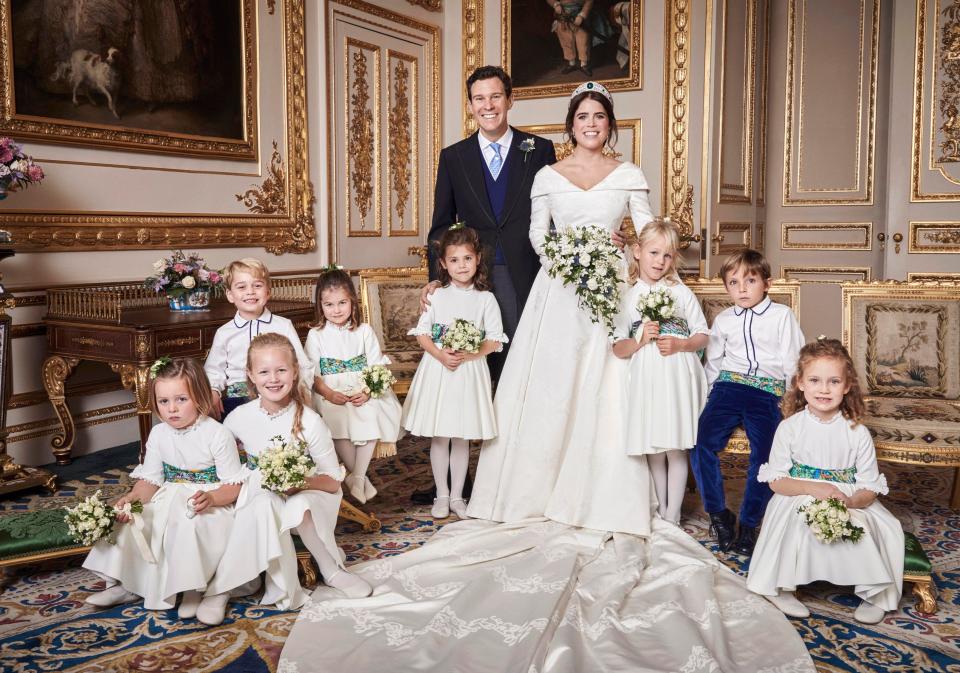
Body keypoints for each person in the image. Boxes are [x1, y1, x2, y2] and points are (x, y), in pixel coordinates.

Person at [277, 83, 815, 673]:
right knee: (548, 387)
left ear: (611, 125)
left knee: (610, 383)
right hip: (559, 291)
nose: (590, 123)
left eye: (599, 116)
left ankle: (612, 488)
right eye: (581, 116)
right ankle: (534, 487)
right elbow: (537, 234)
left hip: (611, 286)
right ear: (571, 123)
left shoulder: (629, 171)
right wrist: (565, 258)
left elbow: (644, 232)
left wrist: (618, 251)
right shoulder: (549, 174)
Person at [412, 64, 555, 506]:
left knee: (519, 369)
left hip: (525, 274)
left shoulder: (540, 149)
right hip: (469, 282)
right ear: (470, 104)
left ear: (510, 100)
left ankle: (516, 472)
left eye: (496, 97)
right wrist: (438, 281)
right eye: (479, 98)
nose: (488, 106)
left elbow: (556, 215)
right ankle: (466, 480)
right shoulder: (453, 157)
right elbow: (440, 227)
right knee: (475, 375)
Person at [747, 338, 904, 624]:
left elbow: (869, 486)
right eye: (815, 380)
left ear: (846, 386)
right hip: (798, 490)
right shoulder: (789, 428)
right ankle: (781, 587)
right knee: (795, 517)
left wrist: (852, 501)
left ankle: (874, 594)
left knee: (871, 526)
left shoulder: (857, 432)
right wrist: (813, 488)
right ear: (801, 383)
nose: (824, 389)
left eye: (833, 381)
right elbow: (777, 481)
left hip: (846, 494)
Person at [213, 333, 373, 612]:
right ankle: (228, 584)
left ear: (295, 371)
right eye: (264, 371)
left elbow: (333, 483)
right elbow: (222, 465)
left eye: (281, 370)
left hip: (311, 491)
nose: (273, 379)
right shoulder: (238, 418)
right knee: (263, 500)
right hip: (263, 490)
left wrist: (299, 482)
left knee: (298, 504)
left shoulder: (310, 422)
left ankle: (332, 570)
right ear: (250, 375)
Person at [83, 357, 246, 626]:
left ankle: (192, 587)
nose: (172, 409)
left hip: (207, 503)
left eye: (181, 399)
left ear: (200, 397)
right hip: (168, 495)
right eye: (164, 402)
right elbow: (151, 481)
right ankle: (130, 583)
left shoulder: (217, 434)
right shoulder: (159, 434)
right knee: (138, 519)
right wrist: (131, 500)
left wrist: (212, 498)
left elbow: (234, 485)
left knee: (187, 522)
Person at [690, 249, 806, 557]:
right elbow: (713, 363)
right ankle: (719, 514)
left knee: (766, 455)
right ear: (726, 287)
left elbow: (793, 360)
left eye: (750, 280)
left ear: (766, 283)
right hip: (728, 387)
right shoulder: (724, 320)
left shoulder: (782, 316)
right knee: (700, 443)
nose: (741, 289)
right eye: (733, 282)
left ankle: (749, 522)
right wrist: (706, 403)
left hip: (767, 392)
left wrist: (792, 401)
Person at [402, 224, 505, 519]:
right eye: (455, 260)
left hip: (469, 373)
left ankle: (459, 496)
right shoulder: (436, 296)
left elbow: (495, 339)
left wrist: (471, 353)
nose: (462, 266)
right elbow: (422, 333)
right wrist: (440, 354)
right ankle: (442, 494)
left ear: (477, 261)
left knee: (461, 436)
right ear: (444, 264)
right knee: (440, 436)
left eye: (468, 259)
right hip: (439, 371)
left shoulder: (485, 299)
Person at [612, 219, 709, 525]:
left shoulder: (679, 292)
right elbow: (617, 347)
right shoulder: (628, 296)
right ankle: (661, 507)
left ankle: (673, 514)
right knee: (654, 446)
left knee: (676, 447)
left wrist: (681, 345)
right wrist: (640, 340)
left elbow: (703, 335)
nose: (660, 261)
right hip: (646, 378)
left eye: (667, 256)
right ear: (637, 251)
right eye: (654, 253)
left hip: (677, 374)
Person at [306, 267, 403, 505]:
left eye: (342, 303)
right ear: (320, 305)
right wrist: (329, 393)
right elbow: (312, 375)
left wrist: (368, 392)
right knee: (335, 419)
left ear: (352, 301)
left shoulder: (364, 331)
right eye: (329, 305)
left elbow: (377, 366)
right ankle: (360, 479)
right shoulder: (316, 335)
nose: (336, 310)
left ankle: (356, 478)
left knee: (370, 413)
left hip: (362, 387)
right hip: (331, 390)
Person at [204, 258, 313, 419]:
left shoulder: (284, 326)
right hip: (237, 401)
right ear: (230, 295)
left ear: (268, 292)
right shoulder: (224, 333)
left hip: (279, 396)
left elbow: (302, 365)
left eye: (257, 285)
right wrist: (213, 391)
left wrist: (301, 394)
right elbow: (213, 370)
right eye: (242, 287)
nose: (250, 292)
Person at [546, 0, 614, 77]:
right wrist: (556, 5)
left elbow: (589, 2)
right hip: (563, 16)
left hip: (580, 16)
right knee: (566, 41)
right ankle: (571, 63)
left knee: (583, 41)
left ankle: (583, 64)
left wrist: (582, 16)